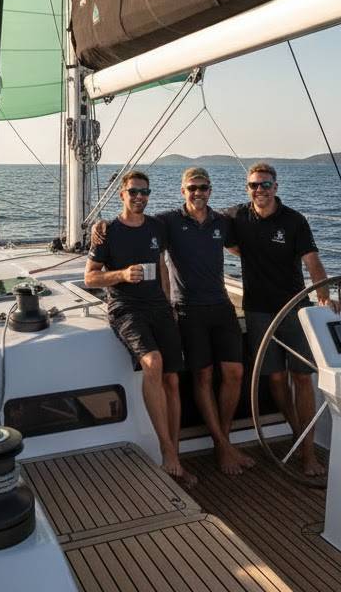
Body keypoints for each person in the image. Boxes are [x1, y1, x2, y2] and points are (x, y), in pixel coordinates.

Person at [93, 167, 253, 476]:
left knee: (233, 372)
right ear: (183, 191)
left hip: (218, 305)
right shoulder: (167, 221)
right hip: (187, 309)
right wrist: (100, 226)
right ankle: (218, 447)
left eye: (203, 187)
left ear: (210, 190)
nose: (198, 192)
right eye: (192, 188)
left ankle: (221, 441)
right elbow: (127, 231)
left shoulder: (220, 222)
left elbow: (246, 234)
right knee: (200, 375)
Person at [226, 162, 336, 478]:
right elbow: (203, 220)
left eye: (265, 184)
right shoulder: (237, 216)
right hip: (258, 309)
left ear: (276, 186)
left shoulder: (294, 221)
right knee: (275, 379)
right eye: (253, 185)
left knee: (301, 378)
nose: (259, 190)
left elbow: (312, 260)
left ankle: (308, 451)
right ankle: (298, 434)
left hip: (294, 308)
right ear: (247, 189)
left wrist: (325, 294)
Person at [84, 170, 193, 484]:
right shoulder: (107, 232)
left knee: (172, 380)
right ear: (122, 195)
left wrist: (169, 304)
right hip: (125, 308)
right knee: (153, 362)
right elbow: (91, 277)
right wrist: (121, 274)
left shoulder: (158, 226)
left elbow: (160, 264)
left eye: (144, 192)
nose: (139, 197)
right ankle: (166, 450)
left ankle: (176, 453)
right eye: (133, 192)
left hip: (159, 307)